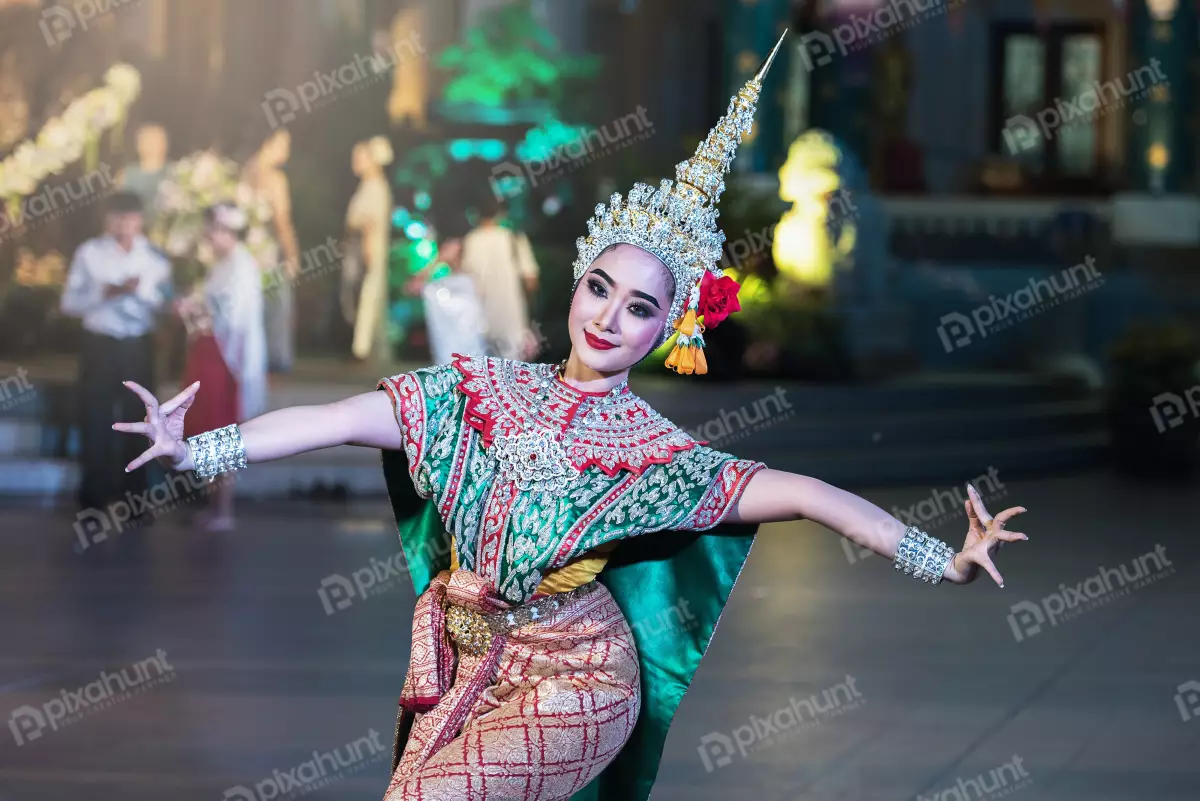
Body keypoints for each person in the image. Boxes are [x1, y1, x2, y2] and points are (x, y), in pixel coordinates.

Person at [113, 34, 1029, 801]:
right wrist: (198, 447)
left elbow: (809, 494)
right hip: (472, 658)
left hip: (582, 680)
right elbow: (341, 418)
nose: (607, 316)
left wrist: (940, 559)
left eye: (639, 307)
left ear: (669, 328)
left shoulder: (655, 456)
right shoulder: (478, 393)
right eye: (601, 287)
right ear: (579, 281)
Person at [61, 190, 170, 514]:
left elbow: (167, 305)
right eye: (118, 217)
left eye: (131, 217)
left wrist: (140, 292)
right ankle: (92, 497)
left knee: (140, 418)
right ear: (107, 219)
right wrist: (102, 293)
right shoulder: (89, 253)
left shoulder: (154, 258)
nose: (124, 224)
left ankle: (135, 497)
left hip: (137, 345)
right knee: (95, 417)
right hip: (100, 344)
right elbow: (69, 303)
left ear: (140, 220)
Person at [174, 203, 267, 531]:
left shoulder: (241, 265)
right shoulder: (223, 264)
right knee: (207, 427)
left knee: (220, 428)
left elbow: (236, 319)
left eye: (212, 230)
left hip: (223, 357)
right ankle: (214, 505)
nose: (208, 237)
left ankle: (223, 509)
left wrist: (200, 313)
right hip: (208, 351)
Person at [242, 128, 299, 373]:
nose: (287, 151)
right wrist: (292, 253)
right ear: (268, 143)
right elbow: (282, 220)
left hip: (244, 251)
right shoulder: (275, 178)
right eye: (283, 144)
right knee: (277, 306)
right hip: (267, 251)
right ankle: (275, 361)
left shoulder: (244, 171)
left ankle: (251, 359)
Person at [460, 196, 540, 360]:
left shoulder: (471, 240)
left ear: (476, 214)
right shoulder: (513, 239)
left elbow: (465, 277)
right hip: (512, 317)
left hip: (480, 318)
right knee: (512, 373)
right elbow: (531, 280)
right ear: (501, 213)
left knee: (482, 372)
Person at [343, 136, 395, 366]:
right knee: (367, 297)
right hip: (361, 247)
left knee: (368, 296)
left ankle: (361, 349)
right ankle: (369, 347)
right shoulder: (368, 185)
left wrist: (367, 250)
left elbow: (370, 223)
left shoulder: (375, 187)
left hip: (369, 248)